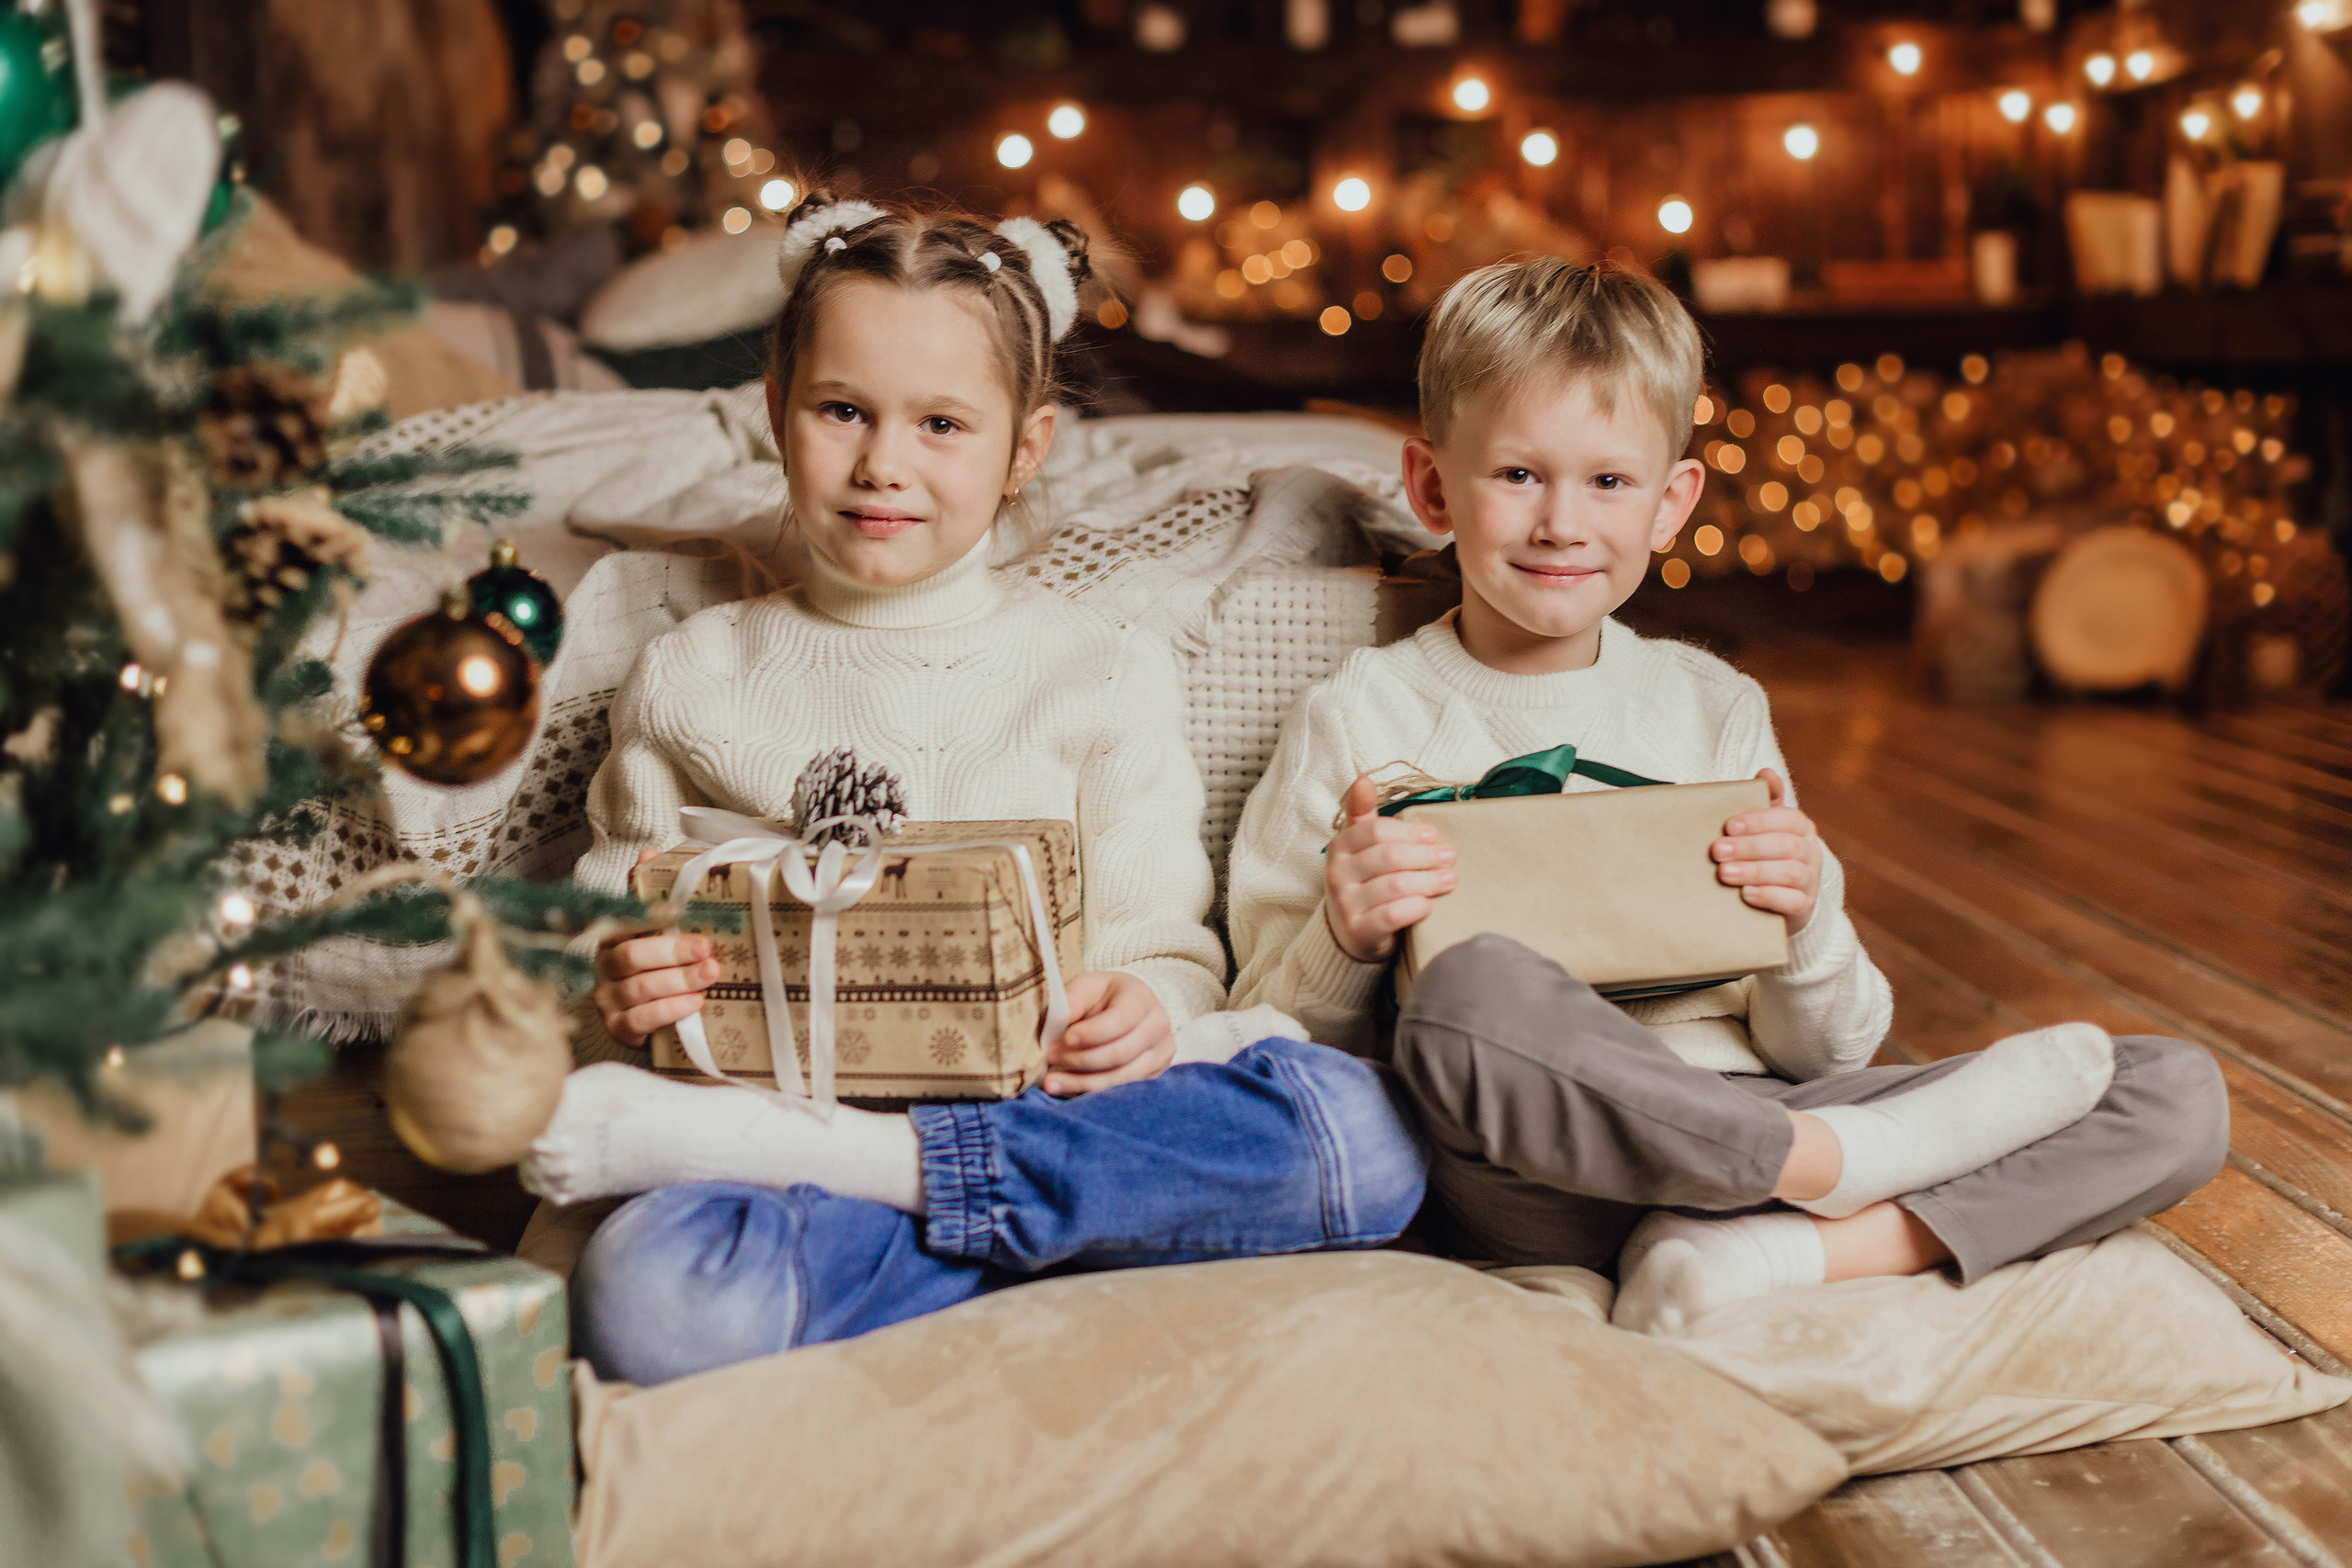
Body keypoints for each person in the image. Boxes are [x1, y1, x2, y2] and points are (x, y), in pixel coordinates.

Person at [1225, 257, 2227, 1335]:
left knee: (2170, 1091)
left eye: (1609, 483)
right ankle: (1824, 1175)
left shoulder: (1711, 706)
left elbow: (1828, 1051)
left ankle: (1771, 1250)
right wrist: (1345, 934)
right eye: (1517, 475)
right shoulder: (1362, 713)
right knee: (1472, 993)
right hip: (1536, 1180)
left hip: (1758, 1111)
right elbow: (1260, 1041)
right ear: (1431, 489)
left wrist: (1804, 924)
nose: (1563, 522)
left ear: (1672, 504)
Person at [526, 195, 1425, 1384]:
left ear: (1025, 448)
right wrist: (631, 984)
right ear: (776, 416)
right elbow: (610, 948)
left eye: (941, 422)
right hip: (792, 1152)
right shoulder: (694, 673)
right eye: (842, 410)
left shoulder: (1099, 666)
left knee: (1364, 1134)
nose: (882, 462)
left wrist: (1142, 1007)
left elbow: (1163, 942)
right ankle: (1054, 1242)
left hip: (1049, 1116)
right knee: (652, 1296)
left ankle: (928, 1197)